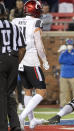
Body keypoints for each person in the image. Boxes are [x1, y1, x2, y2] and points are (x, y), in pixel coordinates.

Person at [12, 0, 49, 130]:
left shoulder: (15, 21)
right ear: (35, 9)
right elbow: (38, 44)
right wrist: (44, 60)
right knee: (41, 91)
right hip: (31, 58)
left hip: (19, 58)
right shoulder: (36, 22)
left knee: (28, 91)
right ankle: (21, 117)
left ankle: (31, 120)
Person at [0, 3, 26, 131]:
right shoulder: (14, 27)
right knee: (9, 93)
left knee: (1, 95)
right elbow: (22, 48)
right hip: (13, 60)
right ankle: (15, 125)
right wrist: (16, 62)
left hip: (1, 59)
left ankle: (3, 126)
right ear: (4, 13)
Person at [59, 39, 74, 108]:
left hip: (73, 75)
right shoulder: (63, 53)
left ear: (73, 45)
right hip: (63, 75)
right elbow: (61, 60)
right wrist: (69, 59)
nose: (69, 46)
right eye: (68, 44)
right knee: (63, 91)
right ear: (66, 45)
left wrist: (67, 60)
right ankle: (63, 105)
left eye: (70, 44)